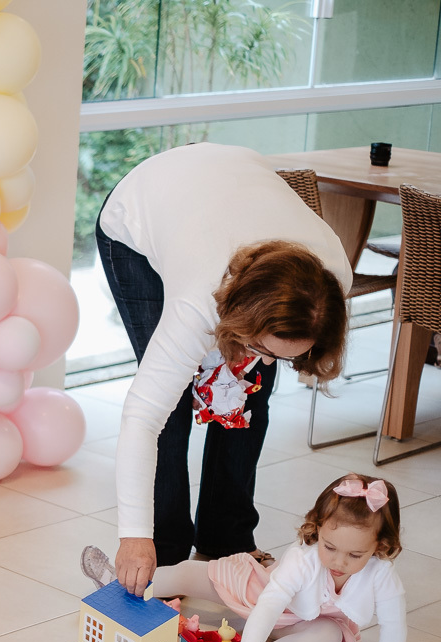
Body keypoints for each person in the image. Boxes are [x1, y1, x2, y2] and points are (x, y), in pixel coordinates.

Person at [94, 143, 352, 596]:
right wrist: (134, 535)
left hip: (230, 188)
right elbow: (143, 417)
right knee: (171, 404)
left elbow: (266, 358)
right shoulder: (196, 301)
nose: (266, 362)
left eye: (283, 355)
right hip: (145, 208)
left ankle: (225, 537)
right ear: (242, 316)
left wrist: (260, 353)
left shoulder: (331, 283)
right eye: (260, 346)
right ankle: (165, 551)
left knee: (250, 394)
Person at [82, 473, 407, 642]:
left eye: (355, 555)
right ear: (318, 529)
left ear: (380, 546)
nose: (338, 562)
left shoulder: (382, 576)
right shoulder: (303, 558)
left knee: (329, 635)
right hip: (259, 593)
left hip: (306, 623)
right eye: (330, 547)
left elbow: (394, 625)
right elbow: (270, 603)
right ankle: (124, 582)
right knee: (190, 572)